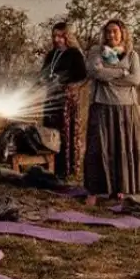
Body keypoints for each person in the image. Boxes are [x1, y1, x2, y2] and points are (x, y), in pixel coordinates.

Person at [84, 19, 140, 206]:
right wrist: (121, 73)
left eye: (115, 31)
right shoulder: (97, 52)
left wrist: (109, 75)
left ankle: (121, 188)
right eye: (108, 32)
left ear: (123, 33)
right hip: (102, 105)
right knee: (99, 148)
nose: (111, 35)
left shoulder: (132, 54)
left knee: (123, 148)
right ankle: (95, 190)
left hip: (126, 107)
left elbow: (135, 79)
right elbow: (96, 73)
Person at [39, 22, 88, 180]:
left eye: (60, 36)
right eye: (54, 36)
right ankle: (49, 165)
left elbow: (82, 75)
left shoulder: (74, 53)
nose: (57, 39)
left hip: (67, 100)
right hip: (51, 98)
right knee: (50, 131)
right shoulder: (51, 55)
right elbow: (43, 74)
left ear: (67, 36)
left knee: (65, 133)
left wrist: (64, 81)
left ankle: (66, 168)